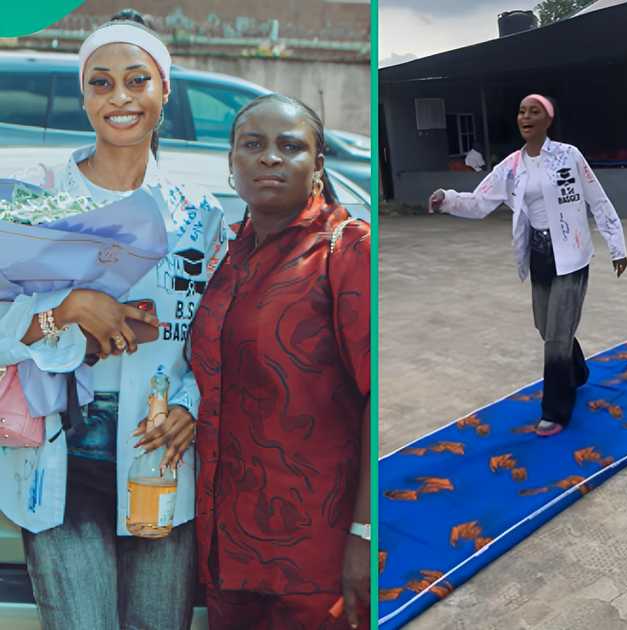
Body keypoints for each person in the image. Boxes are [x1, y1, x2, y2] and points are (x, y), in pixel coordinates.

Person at [0, 10, 227, 629]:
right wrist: (66, 311)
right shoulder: (33, 197)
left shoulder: (197, 216)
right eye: (101, 82)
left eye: (137, 80)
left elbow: (220, 337)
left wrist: (193, 404)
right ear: (83, 95)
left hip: (158, 459)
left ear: (164, 91)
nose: (120, 98)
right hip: (57, 460)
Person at [188, 94, 371, 629]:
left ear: (317, 166)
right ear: (231, 163)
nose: (270, 158)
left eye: (289, 146)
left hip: (315, 561)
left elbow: (373, 400)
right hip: (227, 556)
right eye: (253, 145)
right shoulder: (227, 254)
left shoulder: (344, 250)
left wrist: (364, 535)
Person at [428, 94, 627, 437]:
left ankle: (555, 411)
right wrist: (447, 199)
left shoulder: (569, 156)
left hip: (572, 254)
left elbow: (598, 199)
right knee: (546, 327)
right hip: (539, 255)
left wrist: (617, 245)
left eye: (534, 112)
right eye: (521, 111)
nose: (526, 117)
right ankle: (577, 371)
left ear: (548, 120)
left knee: (556, 337)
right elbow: (480, 201)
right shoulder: (511, 166)